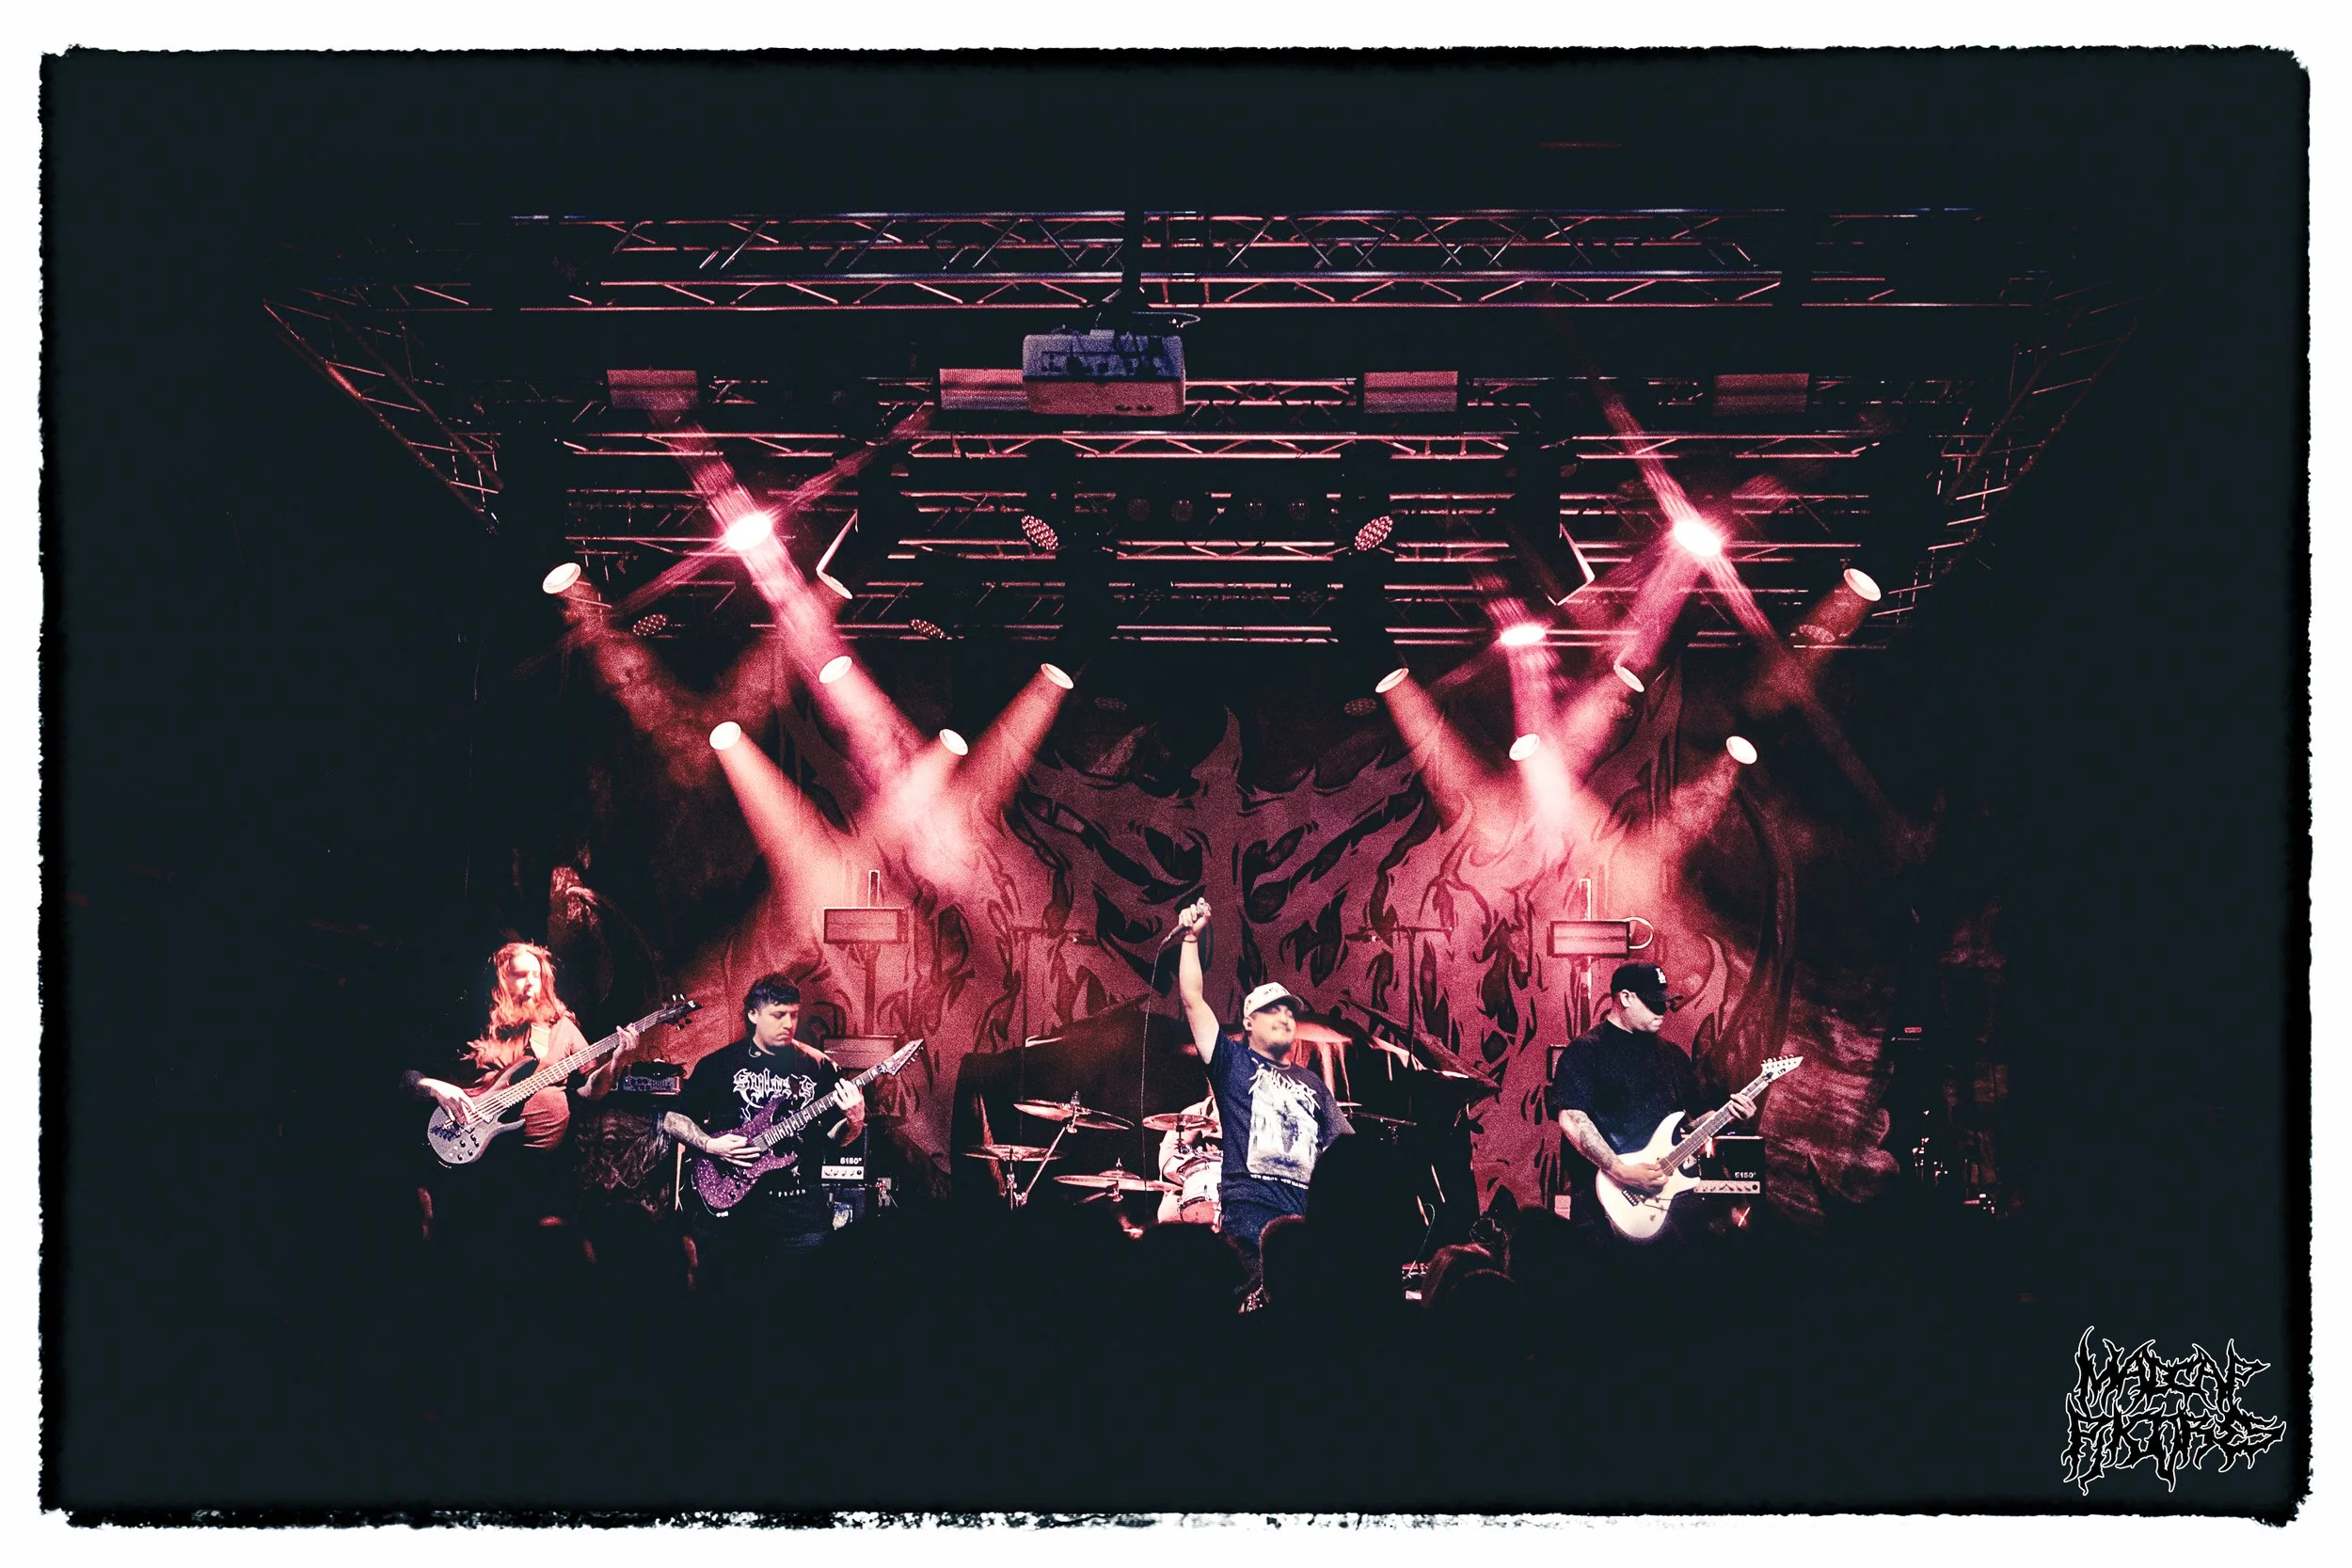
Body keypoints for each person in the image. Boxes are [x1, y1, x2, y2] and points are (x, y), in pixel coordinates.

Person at [1171, 898, 1351, 1278]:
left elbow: (1345, 1149)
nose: (1284, 1016)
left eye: (1289, 1011)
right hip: (1251, 1216)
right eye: (1273, 1010)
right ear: (1249, 1022)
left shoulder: (1313, 1084)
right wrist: (1190, 939)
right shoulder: (1232, 1061)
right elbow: (1192, 998)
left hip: (1303, 1221)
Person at [403, 942, 628, 1242]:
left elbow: (592, 1091)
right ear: (499, 980)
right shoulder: (466, 1024)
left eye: (537, 975)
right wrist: (435, 1087)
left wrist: (616, 1062)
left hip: (536, 1175)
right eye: (521, 975)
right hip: (470, 1163)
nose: (532, 982)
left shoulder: (559, 1027)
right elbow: (407, 1078)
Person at [661, 974, 864, 1291]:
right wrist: (711, 1145)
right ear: (753, 1014)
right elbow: (673, 1120)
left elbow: (834, 1140)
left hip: (799, 1213)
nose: (788, 1024)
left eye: (793, 1015)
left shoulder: (820, 1067)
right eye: (778, 1015)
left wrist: (855, 1122)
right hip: (734, 1212)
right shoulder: (720, 1064)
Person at [1547, 960, 1755, 1239]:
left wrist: (1730, 1117)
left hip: (1666, 1205)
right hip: (1604, 1205)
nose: (1662, 1011)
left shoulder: (1673, 1056)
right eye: (1653, 1003)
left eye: (1664, 1003)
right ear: (1625, 998)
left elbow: (1694, 1122)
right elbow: (1572, 1118)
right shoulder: (1586, 1051)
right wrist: (1621, 1170)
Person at [1154, 1091, 1222, 1227]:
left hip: (1242, 1184)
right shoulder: (1194, 1114)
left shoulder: (1255, 1111)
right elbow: (1168, 1160)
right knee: (1167, 1211)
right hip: (1199, 1189)